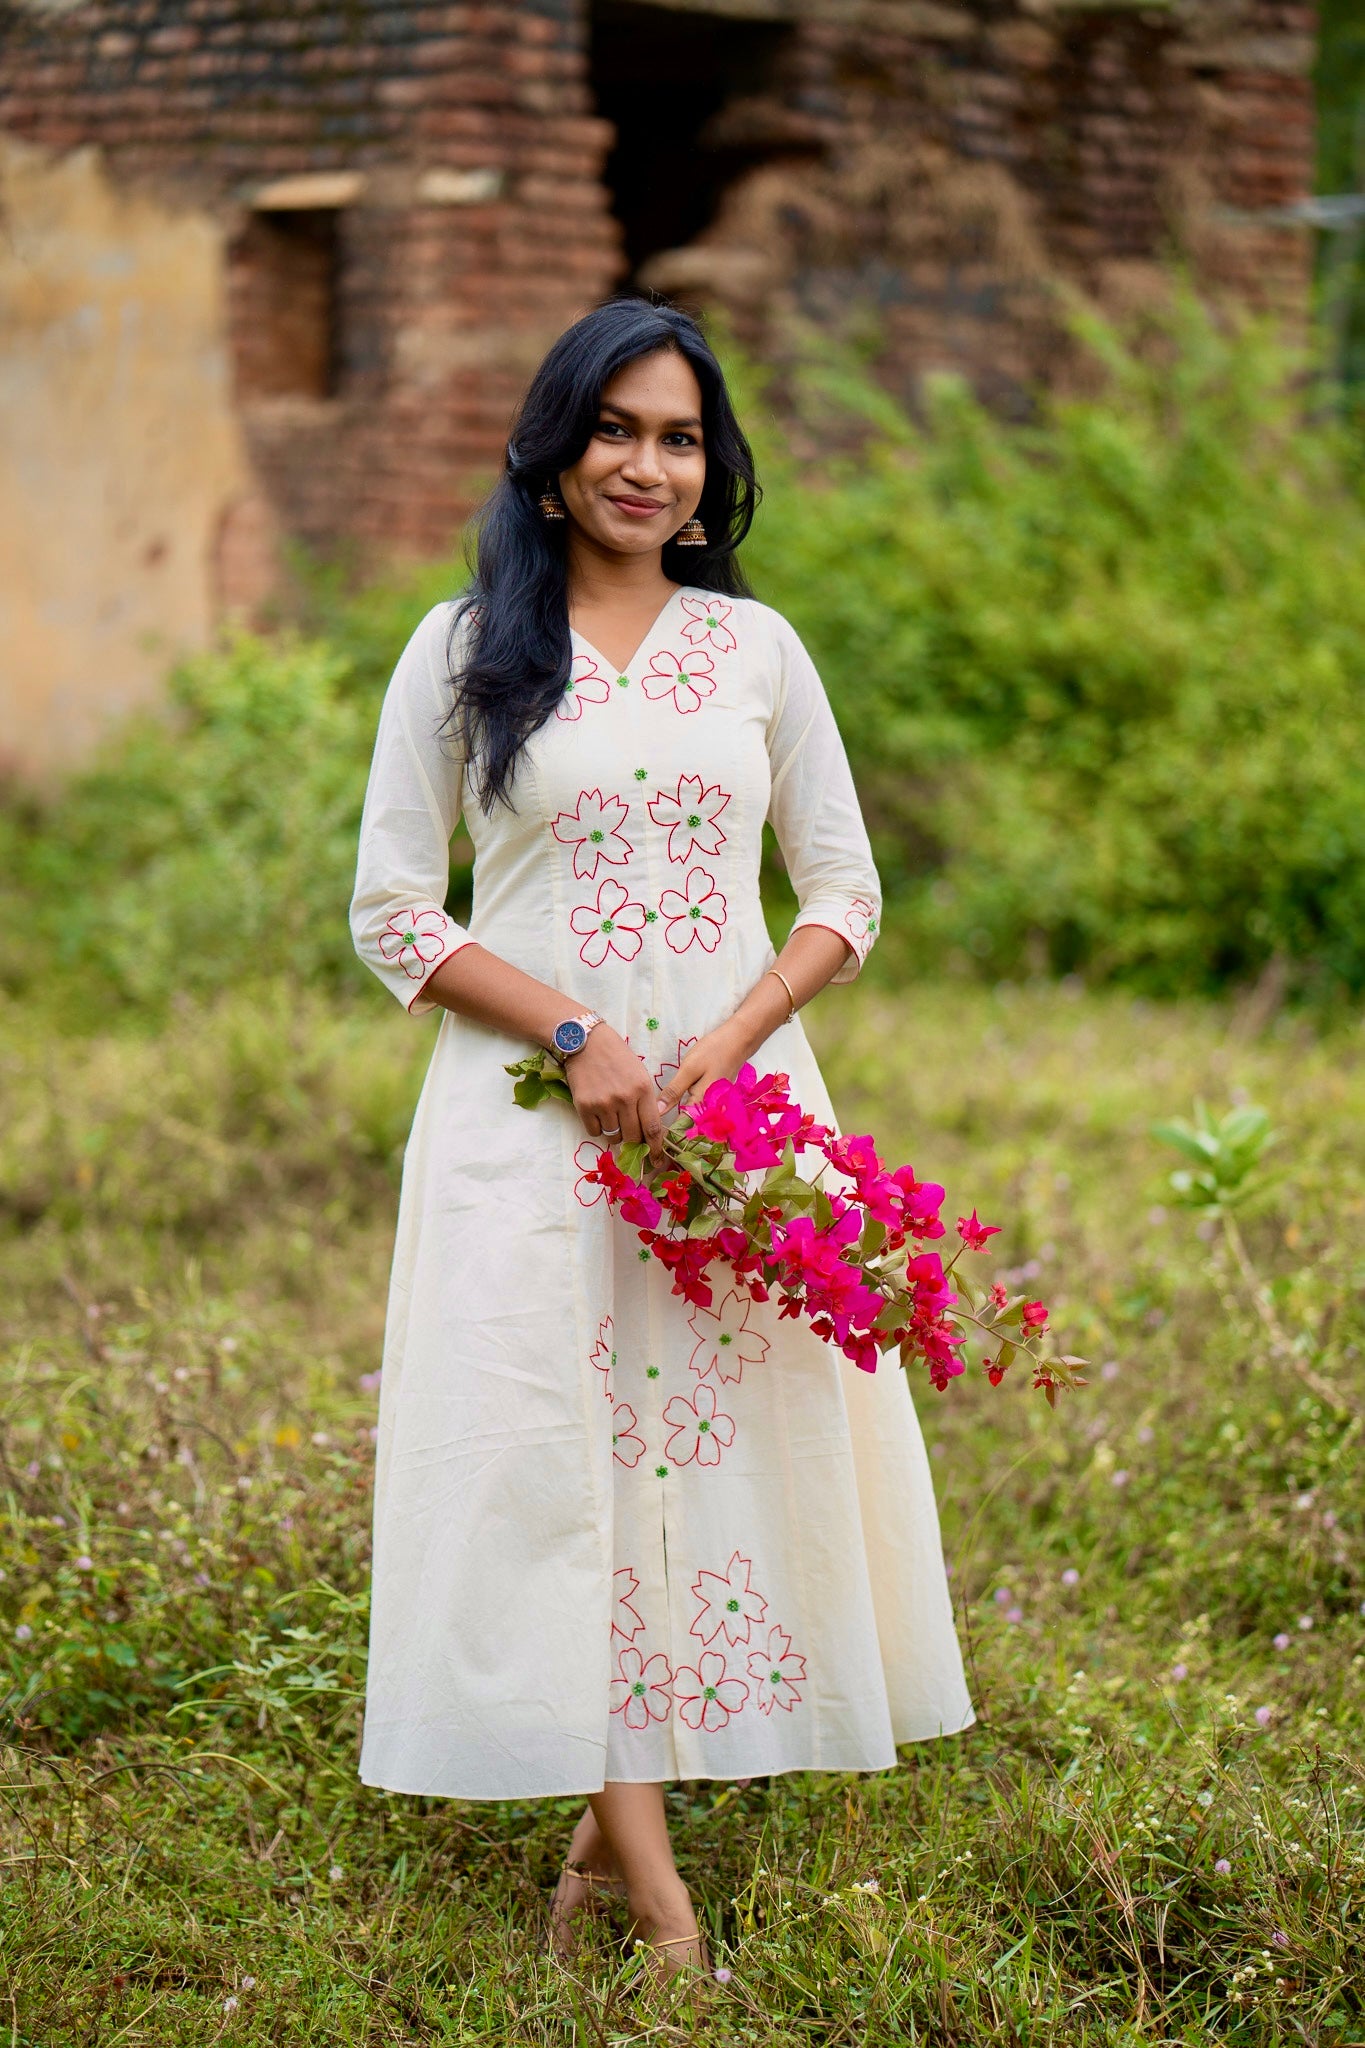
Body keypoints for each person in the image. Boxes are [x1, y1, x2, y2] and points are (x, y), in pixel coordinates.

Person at [349, 298, 973, 1982]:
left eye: (679, 436)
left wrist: (722, 1042)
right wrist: (575, 1035)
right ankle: (667, 1914)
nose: (646, 463)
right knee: (557, 1464)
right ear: (551, 454)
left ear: (710, 473)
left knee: (691, 1464)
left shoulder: (753, 655)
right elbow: (397, 917)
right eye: (614, 429)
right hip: (521, 1128)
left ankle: (597, 1847)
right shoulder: (467, 642)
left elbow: (844, 889)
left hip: (736, 1129)